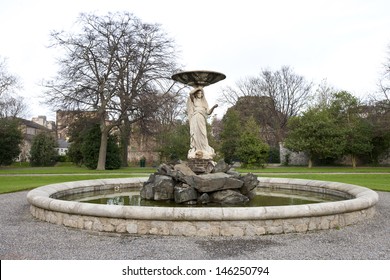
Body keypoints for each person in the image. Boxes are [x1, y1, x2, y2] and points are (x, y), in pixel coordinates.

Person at [187, 86, 218, 159]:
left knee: (203, 133)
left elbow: (208, 112)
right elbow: (190, 93)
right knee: (196, 133)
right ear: (196, 94)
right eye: (198, 93)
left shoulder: (204, 102)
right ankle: (196, 149)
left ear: (202, 94)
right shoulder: (194, 100)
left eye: (201, 93)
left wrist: (213, 107)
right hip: (195, 118)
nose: (199, 94)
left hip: (201, 118)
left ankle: (204, 149)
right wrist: (199, 88)